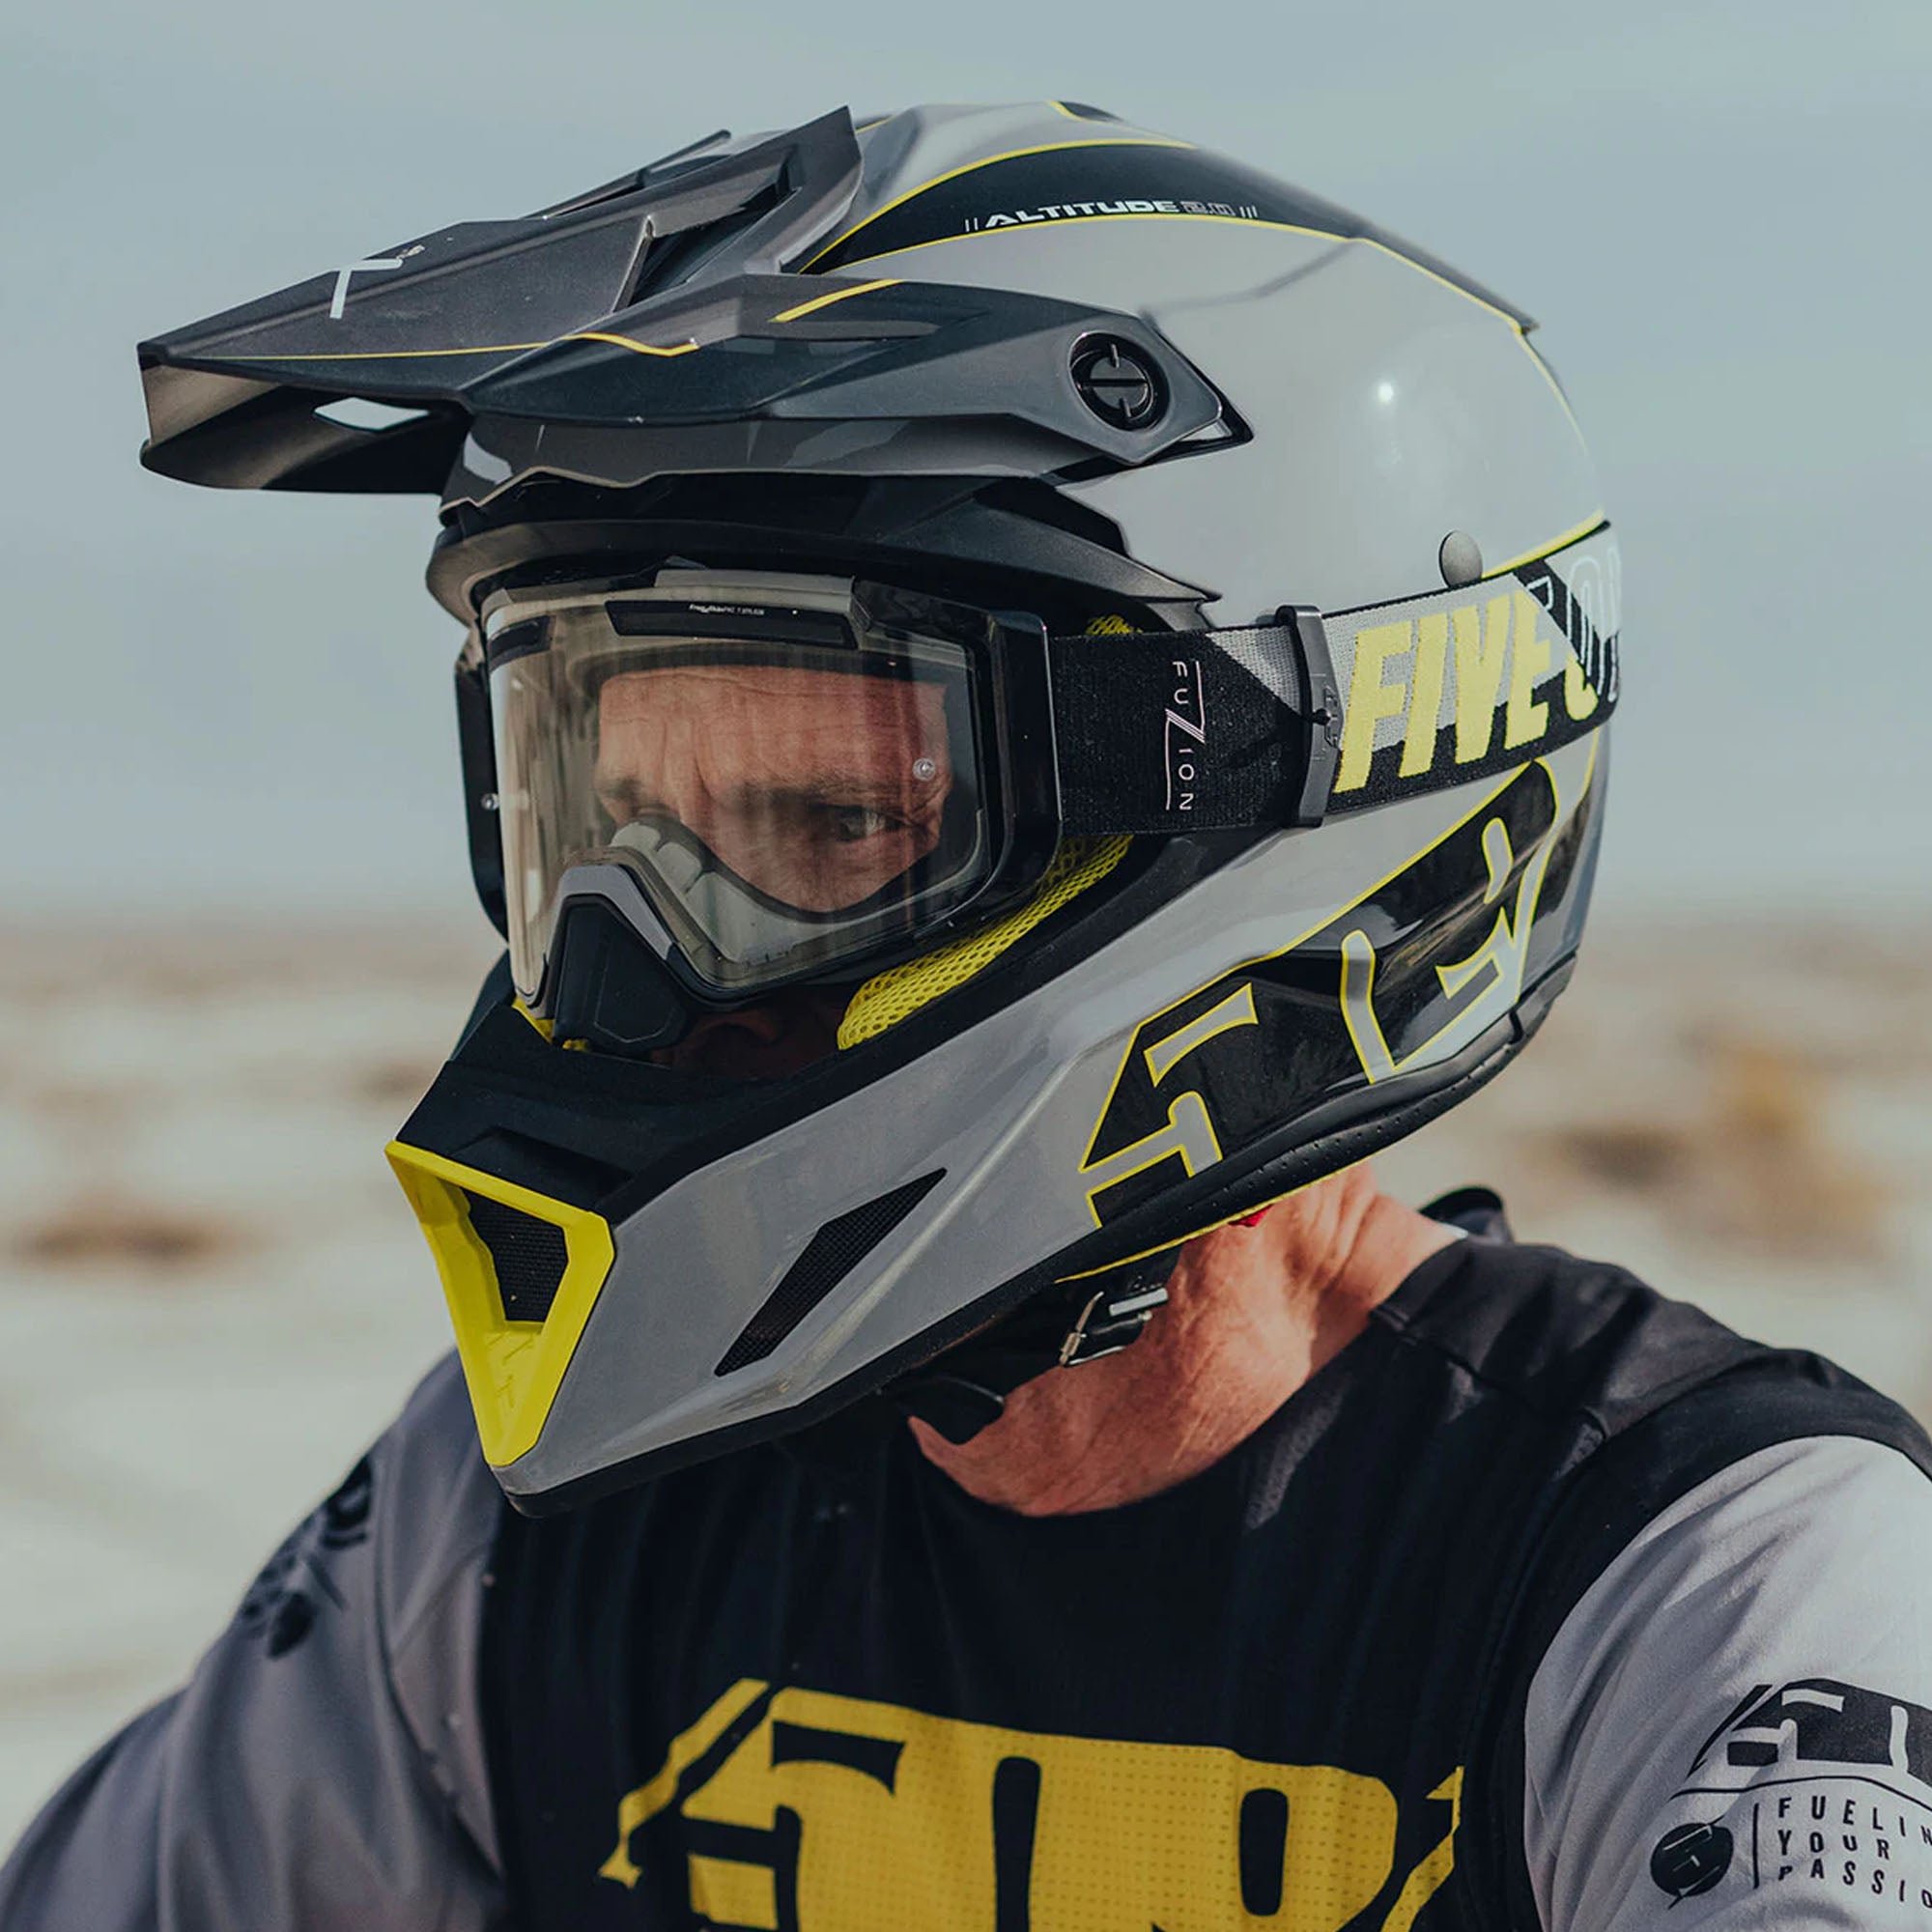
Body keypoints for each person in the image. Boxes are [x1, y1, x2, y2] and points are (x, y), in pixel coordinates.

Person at [6, 99, 1929, 1932]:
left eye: (828, 823)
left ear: (1292, 788)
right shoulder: (513, 1529)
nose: (630, 969)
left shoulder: (1710, 1588)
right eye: (599, 827)